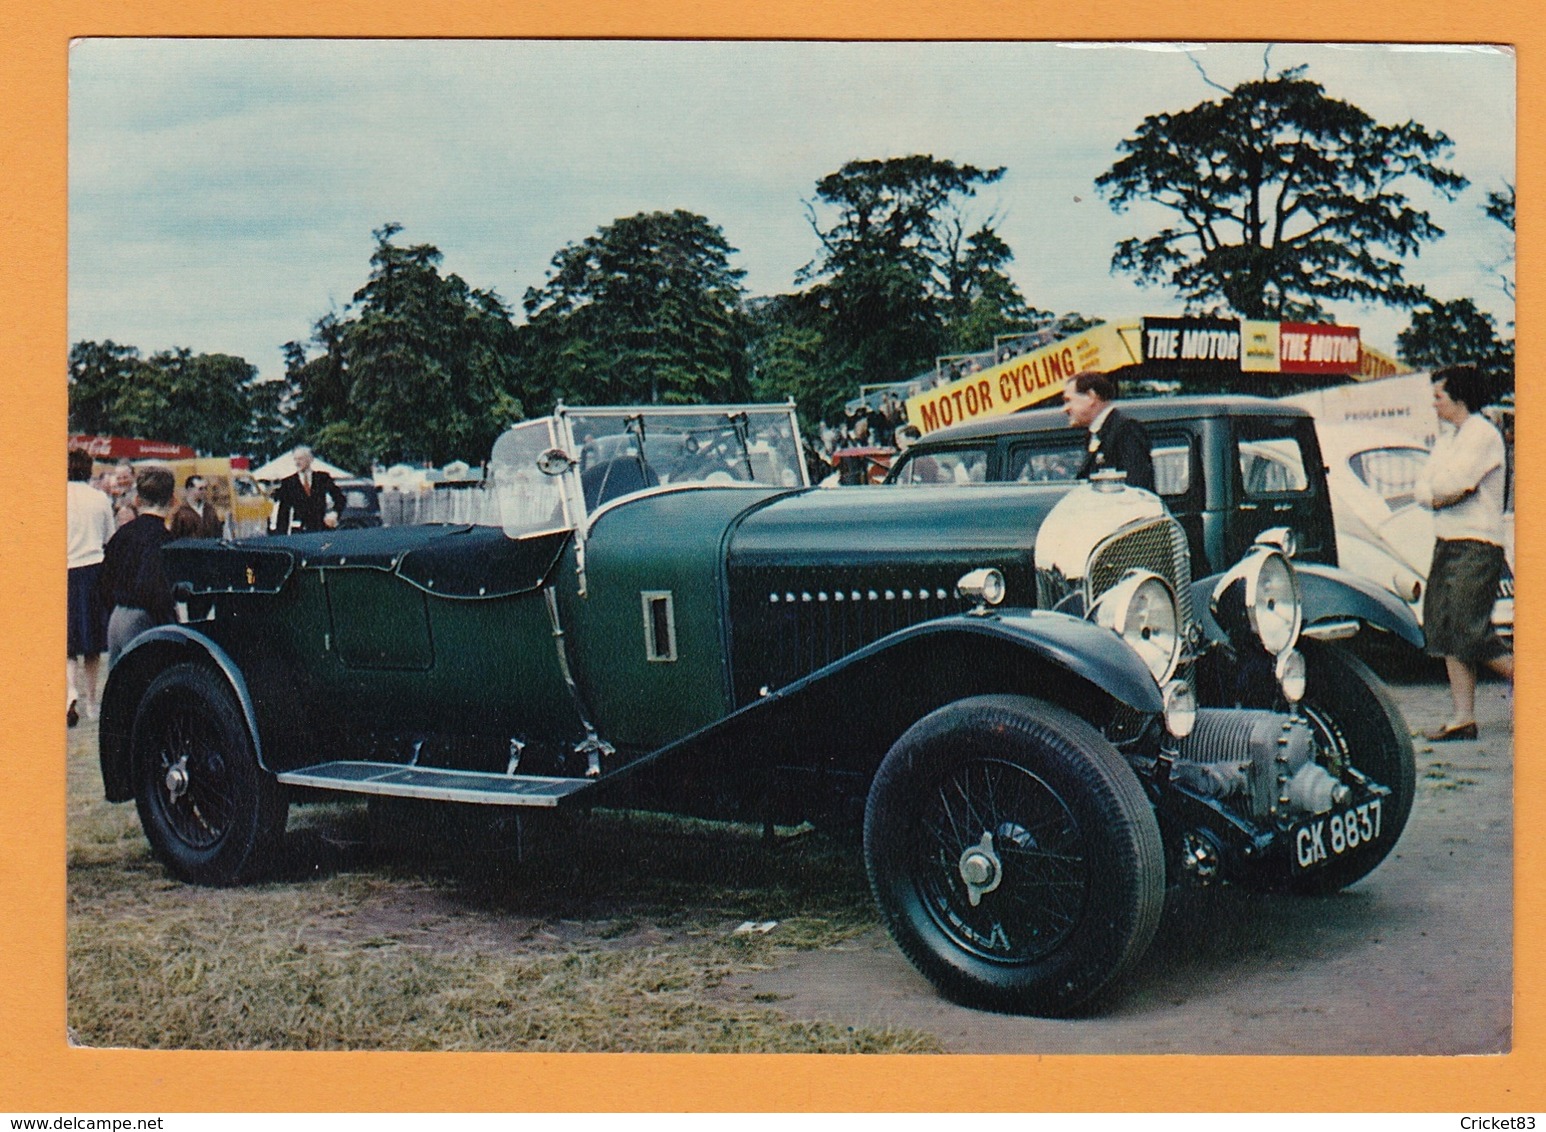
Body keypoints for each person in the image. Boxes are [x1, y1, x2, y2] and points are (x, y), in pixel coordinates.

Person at [1415, 365, 1513, 741]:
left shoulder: (1482, 435)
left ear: (1459, 398)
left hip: (1477, 544)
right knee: (1445, 628)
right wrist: (1439, 495)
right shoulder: (1447, 440)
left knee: (1469, 631)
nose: (1434, 403)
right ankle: (1462, 718)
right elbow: (1426, 488)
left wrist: (1441, 492)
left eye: (1438, 396)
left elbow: (1453, 483)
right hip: (1448, 542)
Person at [99, 466, 177, 666]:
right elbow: (155, 588)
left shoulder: (122, 534)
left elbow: (104, 580)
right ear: (172, 500)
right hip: (144, 619)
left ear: (137, 500)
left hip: (117, 617)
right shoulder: (164, 540)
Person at [67, 447, 116, 726]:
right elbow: (108, 537)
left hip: (64, 569)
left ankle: (69, 693)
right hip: (93, 570)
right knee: (92, 644)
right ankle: (92, 701)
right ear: (88, 469)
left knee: (68, 643)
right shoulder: (99, 499)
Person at [1062, 371, 1155, 491]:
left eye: (1069, 400)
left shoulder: (1125, 430)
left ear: (1091, 396)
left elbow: (1137, 487)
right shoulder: (1095, 434)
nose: (1065, 408)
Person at [269, 445, 346, 535]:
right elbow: (283, 512)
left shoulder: (322, 478)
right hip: (299, 533)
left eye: (300, 459)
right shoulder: (288, 482)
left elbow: (340, 498)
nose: (297, 462)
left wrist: (334, 513)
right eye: (295, 459)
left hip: (321, 531)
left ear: (310, 459)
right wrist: (281, 537)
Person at [169, 474, 224, 539]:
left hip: (210, 547)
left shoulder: (210, 510)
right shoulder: (180, 513)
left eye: (205, 488)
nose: (204, 491)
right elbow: (175, 537)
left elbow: (218, 533)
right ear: (190, 489)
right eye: (200, 489)